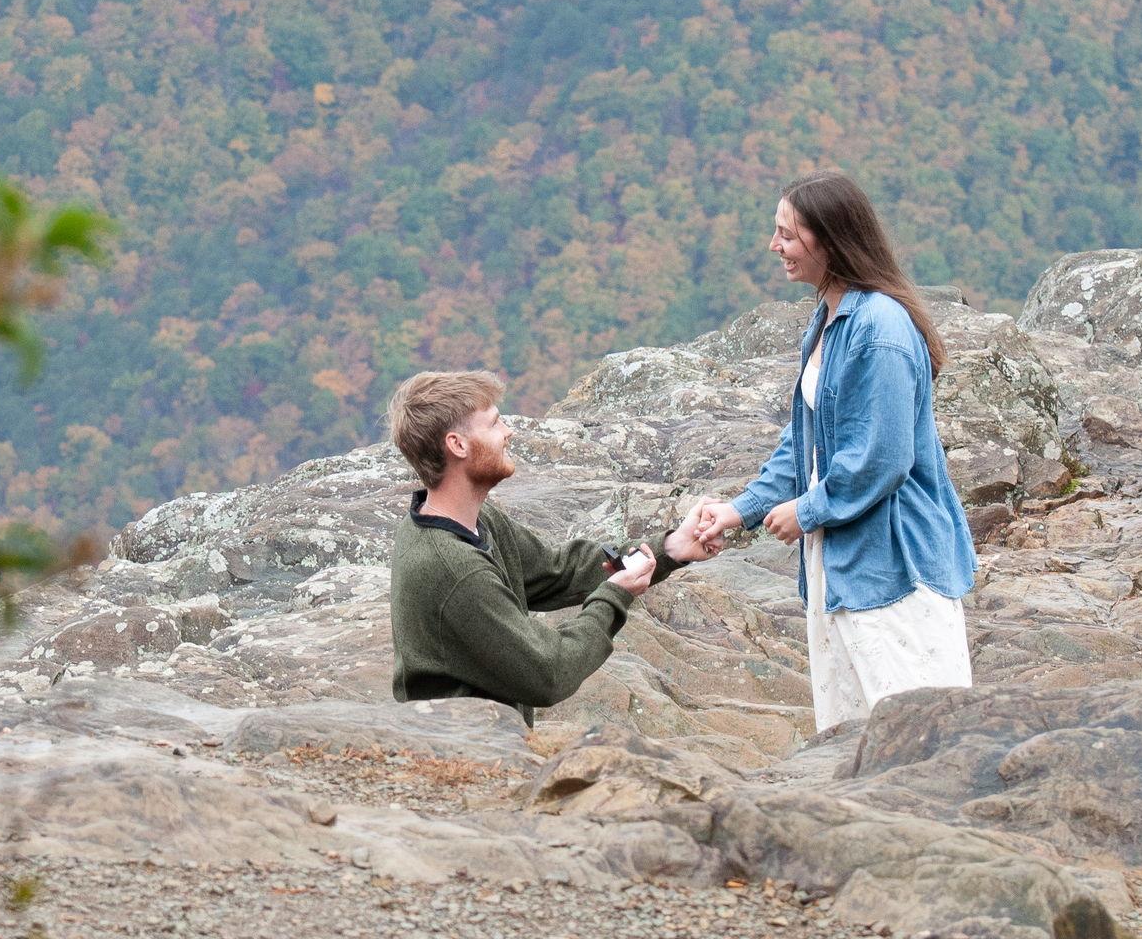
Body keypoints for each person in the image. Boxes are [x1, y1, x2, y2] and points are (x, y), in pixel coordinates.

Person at [695, 170, 976, 733]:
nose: (775, 246)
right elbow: (803, 444)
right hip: (840, 564)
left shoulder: (881, 330)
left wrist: (808, 510)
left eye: (788, 235)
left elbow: (881, 458)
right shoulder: (829, 320)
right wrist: (741, 510)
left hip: (894, 567)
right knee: (849, 740)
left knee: (917, 737)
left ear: (831, 239)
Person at [387, 370, 718, 725]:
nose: (508, 432)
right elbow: (548, 673)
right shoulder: (454, 568)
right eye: (495, 424)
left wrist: (670, 548)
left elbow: (559, 570)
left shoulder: (474, 522)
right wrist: (614, 598)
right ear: (458, 445)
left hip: (484, 745)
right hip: (469, 756)